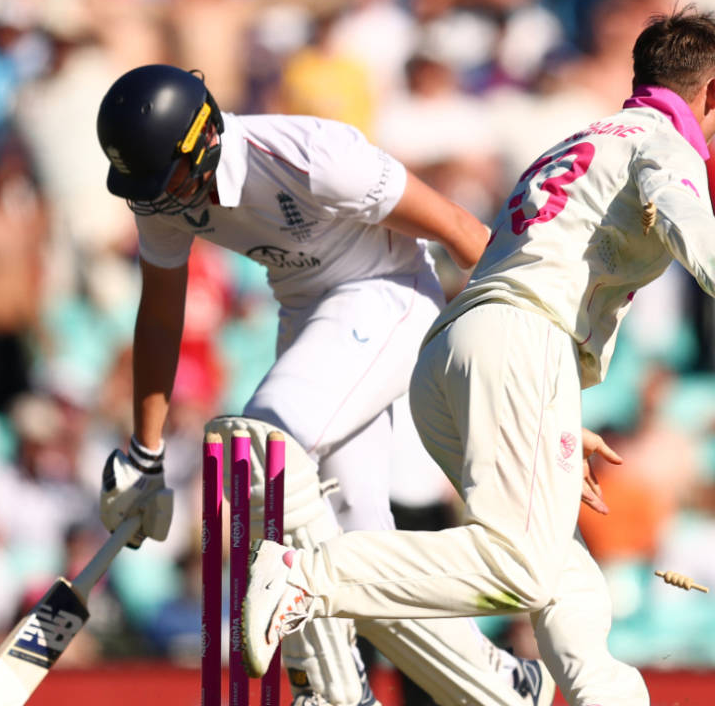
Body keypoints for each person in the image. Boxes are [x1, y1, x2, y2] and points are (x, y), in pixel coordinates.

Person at [242, 8, 715, 706]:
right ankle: (307, 576)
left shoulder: (575, 141)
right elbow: (693, 229)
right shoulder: (665, 145)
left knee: (559, 567)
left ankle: (604, 697)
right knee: (521, 564)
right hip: (518, 342)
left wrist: (553, 415)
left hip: (454, 354)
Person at [93, 65, 554, 706]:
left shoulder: (315, 157)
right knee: (360, 540)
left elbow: (462, 232)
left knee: (257, 455)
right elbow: (161, 314)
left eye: (160, 181)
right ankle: (501, 684)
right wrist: (144, 455)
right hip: (308, 316)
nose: (152, 201)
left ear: (203, 141)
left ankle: (331, 689)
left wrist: (539, 373)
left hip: (389, 295)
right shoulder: (161, 194)